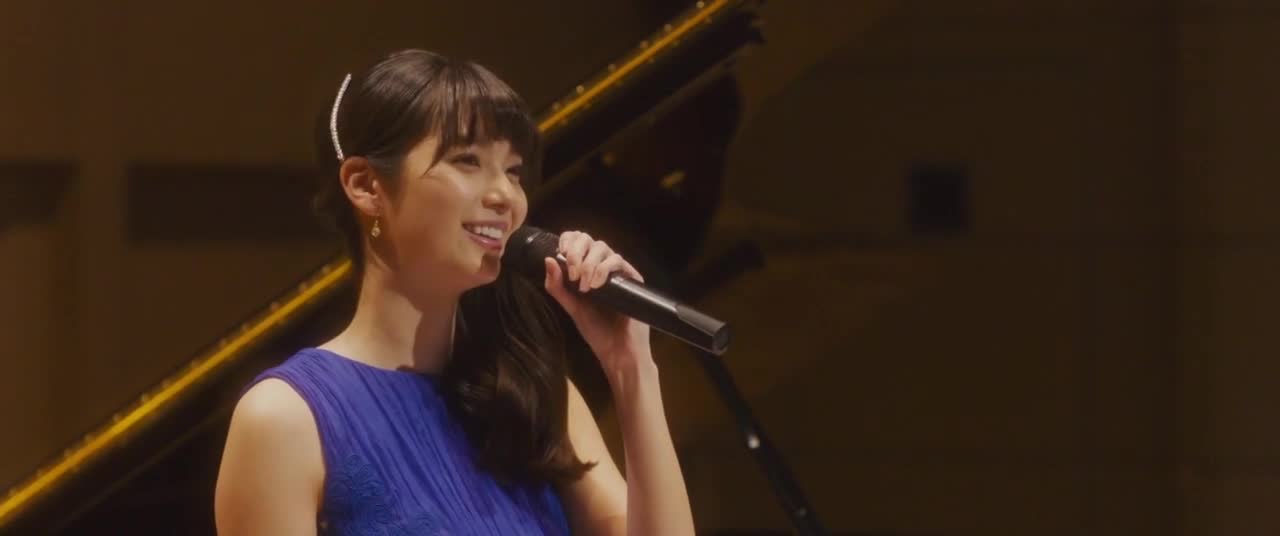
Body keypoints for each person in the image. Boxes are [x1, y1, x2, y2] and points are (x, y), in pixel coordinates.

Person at [214, 49, 695, 535]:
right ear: (365, 186)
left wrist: (630, 366)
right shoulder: (283, 418)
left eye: (513, 170)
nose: (505, 196)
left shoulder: (532, 393)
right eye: (468, 161)